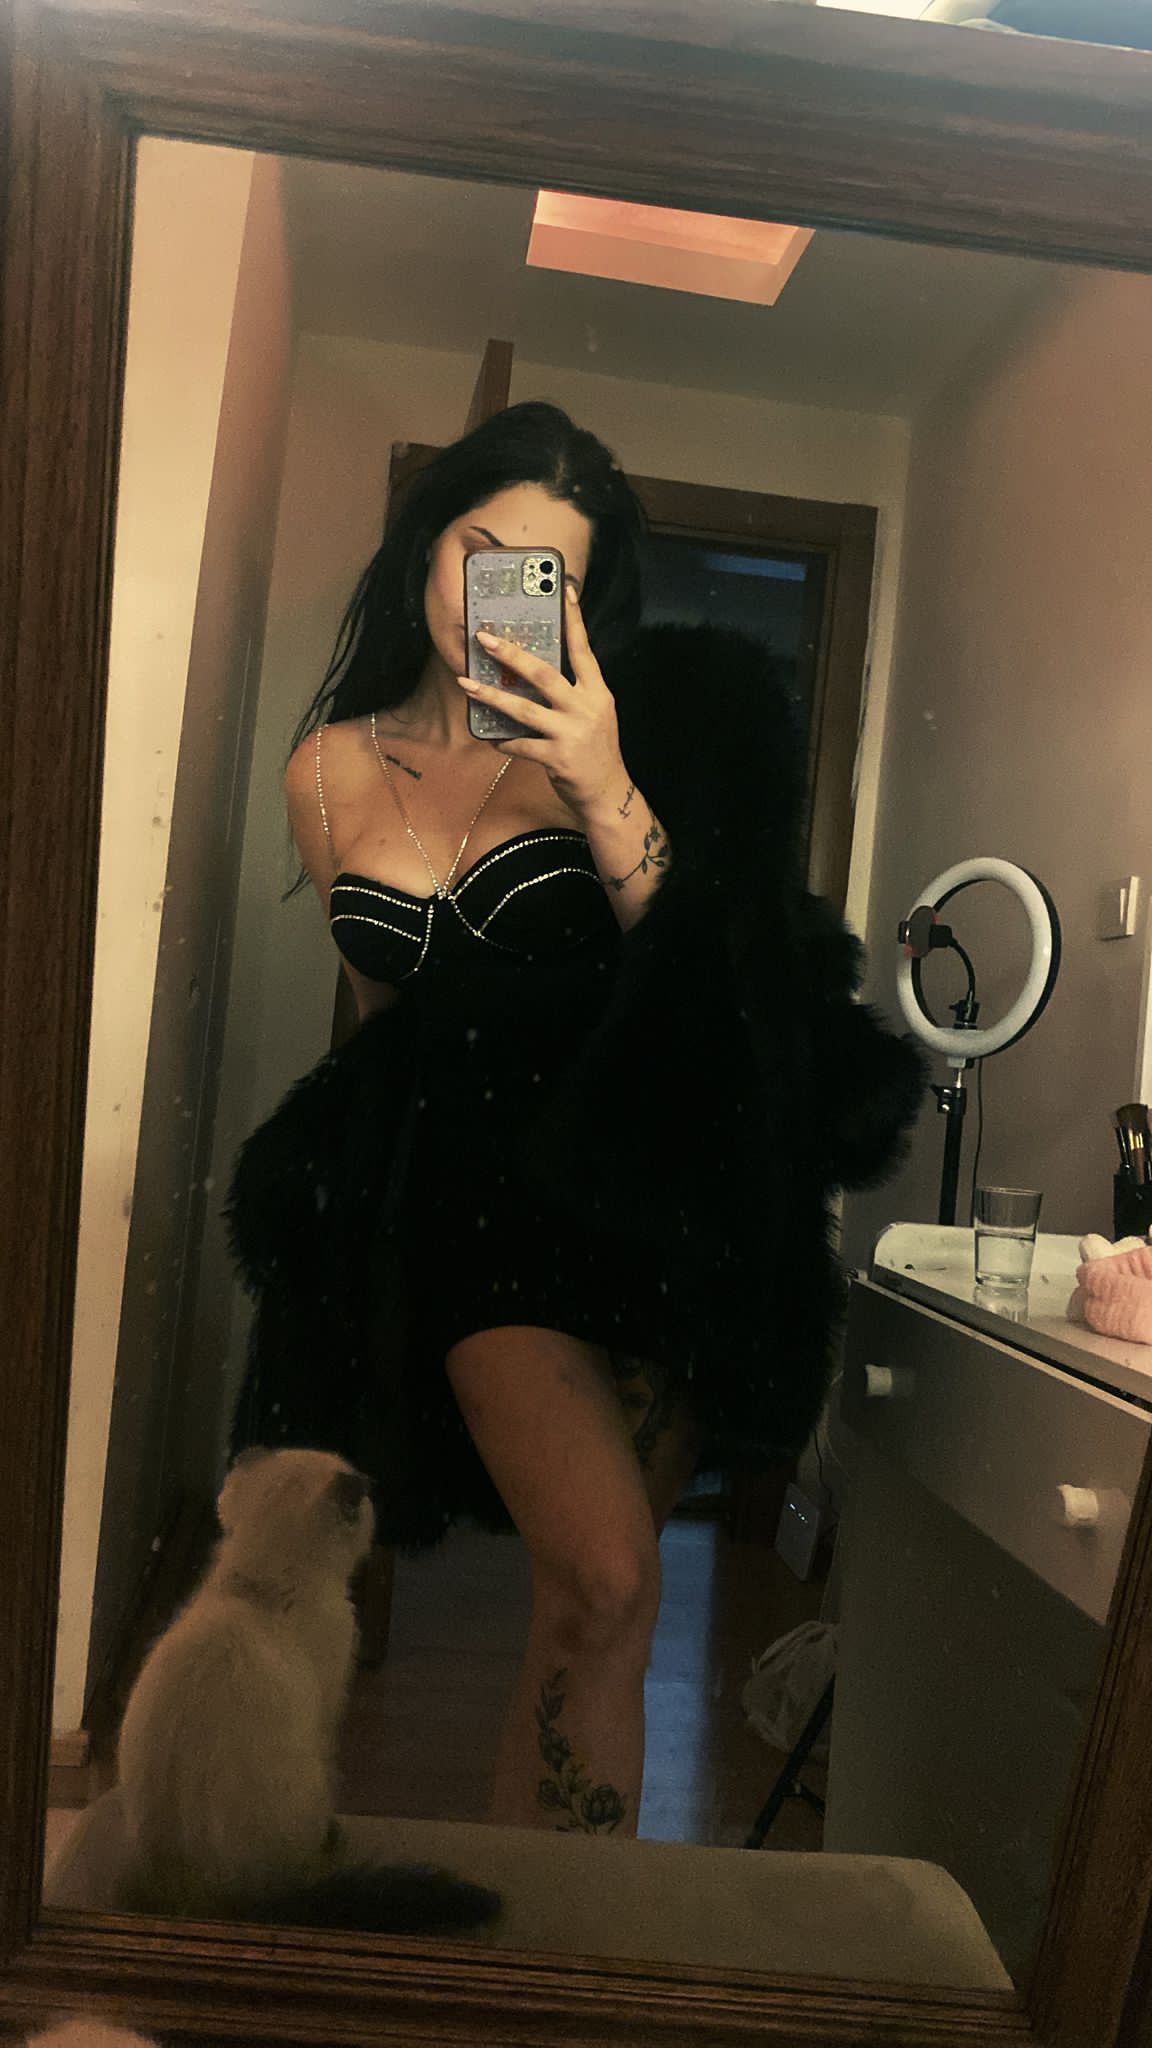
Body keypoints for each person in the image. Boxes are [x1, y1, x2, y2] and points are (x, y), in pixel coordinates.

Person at [227, 401, 923, 1838]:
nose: (495, 595)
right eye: (481, 548)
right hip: (473, 1211)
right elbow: (387, 1017)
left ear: (581, 600)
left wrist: (604, 784)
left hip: (645, 1197)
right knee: (607, 1575)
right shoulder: (329, 769)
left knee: (596, 1606)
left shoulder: (644, 737)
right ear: (429, 542)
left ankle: (552, 1926)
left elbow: (716, 981)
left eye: (544, 573)